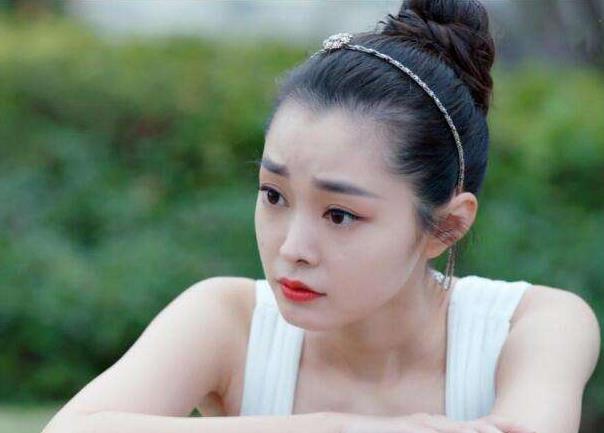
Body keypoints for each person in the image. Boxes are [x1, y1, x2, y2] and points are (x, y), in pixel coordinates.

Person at [42, 1, 600, 433]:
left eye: (339, 214)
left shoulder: (533, 325)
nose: (292, 248)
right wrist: (334, 426)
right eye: (273, 195)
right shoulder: (227, 321)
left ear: (445, 226)